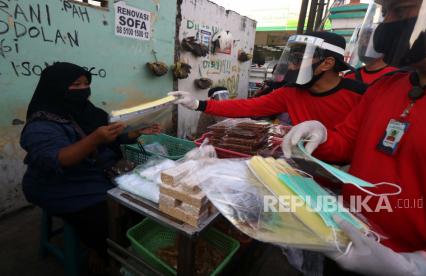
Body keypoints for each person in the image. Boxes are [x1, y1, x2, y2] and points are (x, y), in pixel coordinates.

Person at [282, 0, 426, 274]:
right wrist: (319, 136)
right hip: (346, 244)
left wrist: (424, 268)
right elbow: (345, 143)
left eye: (401, 10)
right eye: (384, 12)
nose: (388, 23)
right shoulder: (385, 88)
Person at [20, 62, 160, 272]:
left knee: (139, 199)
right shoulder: (40, 125)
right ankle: (104, 250)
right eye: (76, 84)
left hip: (90, 171)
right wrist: (94, 138)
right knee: (106, 215)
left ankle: (122, 242)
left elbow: (109, 139)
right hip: (55, 183)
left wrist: (136, 132)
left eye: (86, 83)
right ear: (55, 87)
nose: (83, 89)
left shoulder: (86, 111)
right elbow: (59, 159)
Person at [169, 31, 367, 130]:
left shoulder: (361, 96)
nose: (291, 66)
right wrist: (197, 103)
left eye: (298, 60)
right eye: (291, 59)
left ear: (327, 63)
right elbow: (248, 107)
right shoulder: (290, 93)